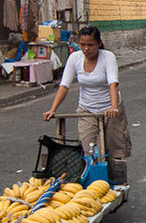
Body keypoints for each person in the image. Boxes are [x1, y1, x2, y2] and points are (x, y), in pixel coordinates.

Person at [42, 25, 131, 184]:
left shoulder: (107, 57)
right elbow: (64, 85)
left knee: (115, 146)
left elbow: (113, 83)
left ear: (99, 43)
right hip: (87, 108)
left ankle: (116, 182)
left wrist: (113, 107)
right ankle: (92, 180)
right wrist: (52, 109)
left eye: (90, 45)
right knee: (88, 146)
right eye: (83, 44)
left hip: (110, 109)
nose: (86, 48)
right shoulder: (75, 58)